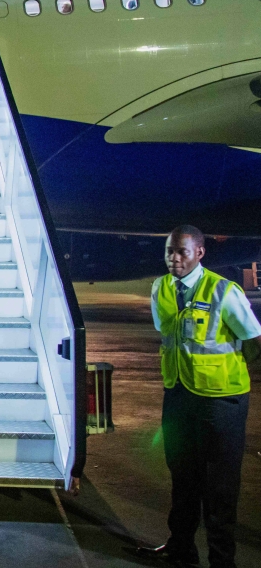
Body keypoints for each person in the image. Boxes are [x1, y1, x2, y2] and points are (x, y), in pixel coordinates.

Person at [136, 226, 261, 568]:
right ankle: (181, 550)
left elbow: (254, 340)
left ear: (200, 253)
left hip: (221, 401)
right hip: (178, 395)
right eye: (168, 252)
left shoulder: (224, 291)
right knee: (182, 478)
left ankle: (222, 561)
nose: (173, 259)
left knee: (220, 488)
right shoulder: (160, 287)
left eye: (181, 253)